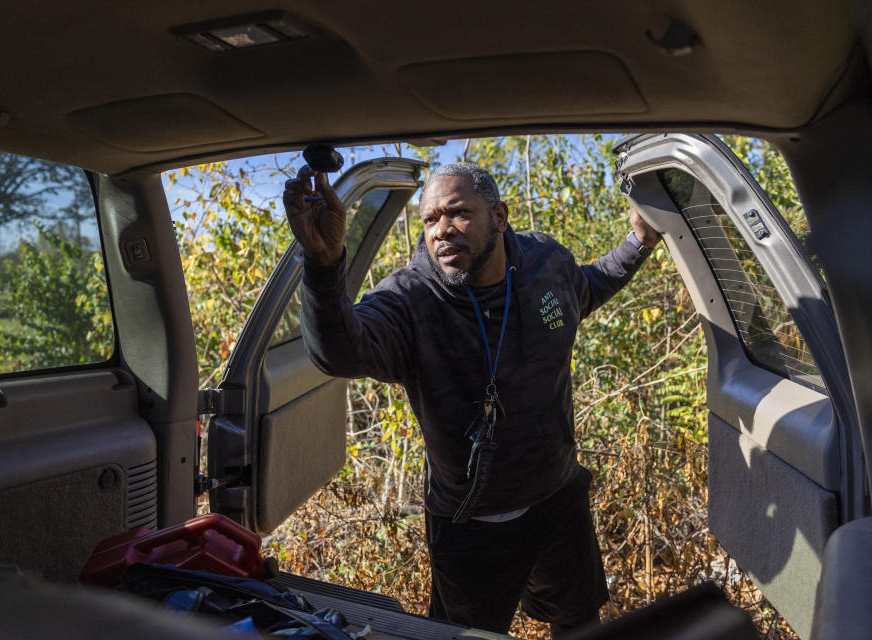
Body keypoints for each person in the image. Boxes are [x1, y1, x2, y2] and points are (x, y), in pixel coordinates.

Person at [283, 161, 660, 637]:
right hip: (470, 524)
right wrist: (323, 265)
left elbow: (585, 287)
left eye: (457, 213)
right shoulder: (410, 301)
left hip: (558, 500)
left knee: (579, 622)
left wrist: (639, 242)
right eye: (430, 219)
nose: (441, 230)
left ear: (499, 216)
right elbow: (340, 352)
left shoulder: (545, 267)